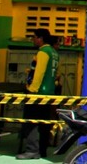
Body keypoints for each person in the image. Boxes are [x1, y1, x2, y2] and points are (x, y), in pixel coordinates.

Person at [18, 28, 58, 159]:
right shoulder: (54, 52)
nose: (33, 39)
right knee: (44, 123)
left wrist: (32, 90)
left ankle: (32, 150)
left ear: (41, 38)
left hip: (38, 92)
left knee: (31, 122)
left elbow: (39, 73)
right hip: (49, 92)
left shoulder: (43, 52)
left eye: (34, 37)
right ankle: (42, 150)